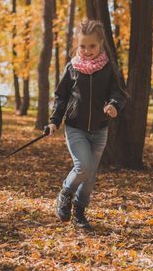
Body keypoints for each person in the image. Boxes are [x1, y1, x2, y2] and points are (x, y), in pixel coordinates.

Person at [47, 19, 127, 230]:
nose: (87, 50)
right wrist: (54, 121)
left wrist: (113, 104)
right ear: (77, 45)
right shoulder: (72, 68)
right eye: (83, 46)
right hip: (75, 128)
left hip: (99, 130)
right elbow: (61, 97)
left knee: (90, 176)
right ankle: (65, 193)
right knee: (84, 167)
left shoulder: (108, 68)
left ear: (100, 44)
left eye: (92, 46)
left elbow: (118, 92)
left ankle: (79, 213)